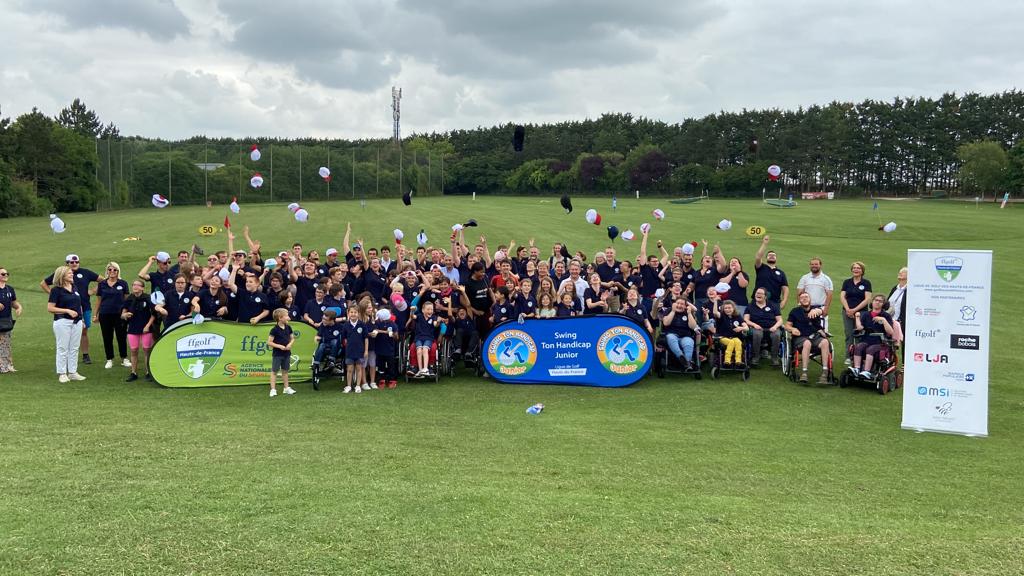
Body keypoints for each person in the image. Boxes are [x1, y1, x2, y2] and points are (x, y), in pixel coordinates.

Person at [41, 254, 98, 365]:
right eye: (71, 262)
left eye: (76, 262)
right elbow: (43, 283)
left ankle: (85, 355)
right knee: (66, 339)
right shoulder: (60, 277)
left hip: (83, 307)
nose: (74, 264)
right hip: (65, 313)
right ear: (66, 263)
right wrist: (53, 295)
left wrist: (92, 291)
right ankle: (63, 367)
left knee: (83, 332)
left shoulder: (84, 274)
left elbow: (103, 281)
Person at [46, 265, 87, 382]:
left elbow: (79, 305)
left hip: (77, 322)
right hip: (63, 321)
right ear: (62, 276)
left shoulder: (74, 287)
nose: (72, 274)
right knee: (63, 347)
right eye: (69, 273)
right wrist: (67, 311)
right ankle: (62, 373)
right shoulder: (56, 290)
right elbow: (50, 308)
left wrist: (82, 318)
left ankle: (73, 372)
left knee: (74, 347)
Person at [786, 292, 831, 384]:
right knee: (807, 343)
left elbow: (823, 312)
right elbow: (787, 325)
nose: (804, 299)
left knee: (825, 342)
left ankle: (825, 372)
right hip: (800, 338)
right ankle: (804, 372)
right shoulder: (795, 311)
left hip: (815, 337)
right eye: (802, 298)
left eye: (806, 297)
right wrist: (792, 329)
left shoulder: (815, 309)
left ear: (810, 299)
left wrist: (818, 311)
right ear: (799, 301)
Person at [95, 262, 130, 369]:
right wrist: (95, 314)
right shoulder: (102, 284)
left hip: (119, 315)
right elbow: (99, 300)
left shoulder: (123, 283)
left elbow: (126, 299)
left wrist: (126, 312)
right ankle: (109, 359)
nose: (112, 272)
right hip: (105, 314)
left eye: (114, 270)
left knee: (121, 336)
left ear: (118, 271)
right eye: (110, 270)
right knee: (107, 337)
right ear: (107, 271)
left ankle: (124, 358)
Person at [850, 294, 894, 378]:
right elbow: (860, 328)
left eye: (880, 301)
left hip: (880, 343)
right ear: (872, 302)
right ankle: (857, 369)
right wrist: (857, 317)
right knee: (858, 346)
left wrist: (883, 320)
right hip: (867, 340)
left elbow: (890, 332)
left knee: (871, 349)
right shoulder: (866, 315)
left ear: (883, 304)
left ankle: (867, 371)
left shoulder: (886, 316)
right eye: (875, 300)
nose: (877, 302)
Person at [839, 261, 873, 363]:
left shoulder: (866, 283)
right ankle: (848, 356)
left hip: (861, 313)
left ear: (862, 270)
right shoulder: (847, 282)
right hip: (847, 312)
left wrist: (855, 310)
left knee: (859, 334)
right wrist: (848, 309)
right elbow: (842, 296)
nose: (856, 270)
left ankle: (859, 356)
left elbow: (867, 299)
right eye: (854, 268)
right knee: (849, 334)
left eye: (858, 268)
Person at [122, 280, 156, 382]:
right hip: (133, 328)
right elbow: (123, 311)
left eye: (138, 285)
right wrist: (124, 315)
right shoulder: (130, 298)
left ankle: (148, 372)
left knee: (146, 349)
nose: (135, 287)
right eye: (133, 285)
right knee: (134, 350)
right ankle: (134, 372)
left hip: (146, 328)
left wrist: (147, 326)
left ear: (142, 288)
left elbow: (154, 314)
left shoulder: (147, 298)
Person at [744, 287, 783, 367]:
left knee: (776, 335)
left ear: (765, 296)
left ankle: (774, 358)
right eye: (757, 293)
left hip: (771, 327)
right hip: (757, 327)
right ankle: (755, 357)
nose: (758, 295)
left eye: (760, 293)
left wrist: (775, 327)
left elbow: (780, 320)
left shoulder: (773, 306)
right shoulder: (750, 306)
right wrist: (754, 325)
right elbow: (746, 319)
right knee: (757, 334)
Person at [660, 297, 699, 370]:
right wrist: (673, 311)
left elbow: (693, 326)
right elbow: (666, 323)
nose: (679, 305)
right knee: (671, 338)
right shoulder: (669, 310)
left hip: (685, 335)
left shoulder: (688, 312)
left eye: (682, 304)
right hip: (672, 334)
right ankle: (681, 357)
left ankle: (687, 362)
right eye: (677, 303)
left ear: (685, 306)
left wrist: (689, 313)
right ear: (674, 304)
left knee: (688, 343)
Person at [753, 235, 789, 310]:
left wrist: (784, 301)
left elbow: (785, 288)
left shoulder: (781, 273)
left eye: (774, 255)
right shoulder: (761, 267)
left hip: (774, 302)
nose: (772, 256)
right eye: (769, 255)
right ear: (766, 258)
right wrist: (764, 244)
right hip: (758, 301)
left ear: (776, 259)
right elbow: (758, 257)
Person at [267, 308, 297, 397]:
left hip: (287, 353)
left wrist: (290, 344)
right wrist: (279, 346)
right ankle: (273, 389)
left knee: (285, 371)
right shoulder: (274, 330)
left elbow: (292, 338)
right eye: (287, 316)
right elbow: (269, 342)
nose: (288, 317)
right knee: (274, 371)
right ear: (280, 318)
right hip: (277, 354)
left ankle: (286, 388)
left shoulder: (289, 327)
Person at [796, 257, 833, 328]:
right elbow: (800, 293)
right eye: (812, 264)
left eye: (816, 264)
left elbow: (829, 294)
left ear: (820, 265)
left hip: (820, 308)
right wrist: (800, 306)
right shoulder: (804, 278)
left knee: (822, 332)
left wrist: (826, 309)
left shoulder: (826, 279)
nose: (814, 266)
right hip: (806, 308)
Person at [340, 307, 370, 392]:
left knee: (359, 368)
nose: (353, 314)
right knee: (349, 369)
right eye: (351, 312)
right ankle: (349, 386)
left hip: (360, 350)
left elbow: (366, 338)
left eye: (355, 312)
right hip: (350, 351)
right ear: (348, 313)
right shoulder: (345, 325)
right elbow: (344, 339)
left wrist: (366, 350)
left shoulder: (362, 325)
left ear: (358, 314)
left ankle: (357, 386)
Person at [0, 266, 23, 373]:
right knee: (3, 343)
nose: (5, 276)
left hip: (6, 320)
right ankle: (3, 367)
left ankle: (8, 365)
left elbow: (13, 302)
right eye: (3, 274)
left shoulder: (9, 289)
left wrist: (18, 307)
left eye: (6, 274)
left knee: (6, 342)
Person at [714, 299, 746, 366]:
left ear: (733, 308)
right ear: (723, 309)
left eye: (729, 308)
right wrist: (715, 301)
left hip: (734, 337)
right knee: (731, 342)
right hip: (722, 337)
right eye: (725, 308)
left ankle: (738, 361)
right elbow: (715, 313)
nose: (727, 309)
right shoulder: (722, 316)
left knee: (738, 342)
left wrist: (741, 328)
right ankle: (727, 361)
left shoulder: (738, 316)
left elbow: (747, 328)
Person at [886, 267, 908, 364]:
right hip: (891, 320)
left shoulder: (909, 290)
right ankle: (889, 362)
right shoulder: (895, 288)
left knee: (904, 343)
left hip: (902, 321)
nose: (900, 273)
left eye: (903, 273)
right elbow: (888, 302)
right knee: (888, 342)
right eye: (900, 272)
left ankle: (904, 364)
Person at [371, 310, 399, 388]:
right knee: (380, 366)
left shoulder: (393, 325)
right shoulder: (377, 323)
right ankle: (381, 380)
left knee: (391, 366)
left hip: (390, 350)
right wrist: (384, 332)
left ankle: (392, 380)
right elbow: (375, 330)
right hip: (379, 349)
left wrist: (392, 334)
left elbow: (397, 337)